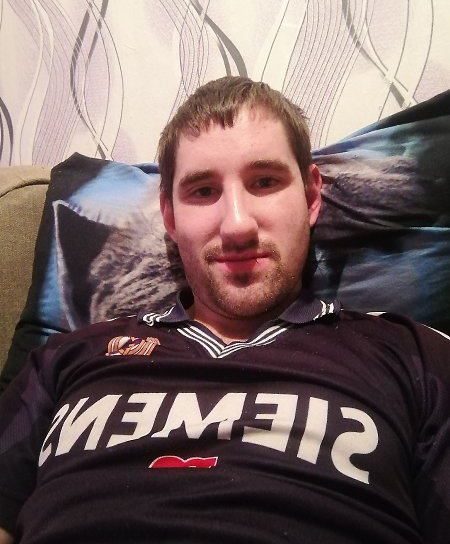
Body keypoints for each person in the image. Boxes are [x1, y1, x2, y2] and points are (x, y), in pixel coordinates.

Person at [0, 76, 449, 543]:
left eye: (265, 182)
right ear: (170, 216)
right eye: (202, 191)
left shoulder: (412, 355)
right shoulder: (67, 358)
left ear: (311, 196)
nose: (236, 225)